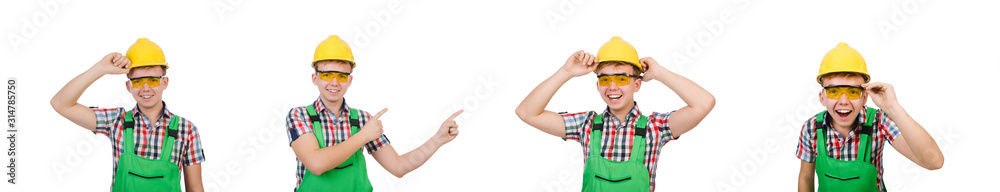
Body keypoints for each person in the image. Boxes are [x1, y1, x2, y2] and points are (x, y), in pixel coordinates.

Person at [515, 36, 715, 191]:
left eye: (621, 79)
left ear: (637, 84)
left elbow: (704, 103)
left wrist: (660, 72)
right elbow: (527, 112)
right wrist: (566, 72)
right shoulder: (586, 125)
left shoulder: (655, 128)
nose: (612, 87)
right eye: (605, 80)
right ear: (597, 85)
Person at [286, 35, 464, 192]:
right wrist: (363, 136)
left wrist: (438, 139)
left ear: (350, 81)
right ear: (314, 78)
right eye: (327, 75)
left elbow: (399, 167)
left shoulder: (363, 119)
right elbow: (316, 164)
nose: (334, 82)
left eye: (342, 76)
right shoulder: (299, 116)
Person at [50, 38, 206, 192]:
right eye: (137, 81)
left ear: (164, 83)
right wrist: (100, 68)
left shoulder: (186, 130)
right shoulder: (116, 121)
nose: (145, 88)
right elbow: (61, 104)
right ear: (128, 86)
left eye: (153, 80)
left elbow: (195, 188)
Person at [795, 43, 945, 192]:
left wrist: (892, 106)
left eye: (853, 92)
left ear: (864, 97)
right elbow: (805, 178)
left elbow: (934, 162)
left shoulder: (879, 122)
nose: (843, 101)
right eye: (834, 91)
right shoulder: (811, 128)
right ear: (822, 98)